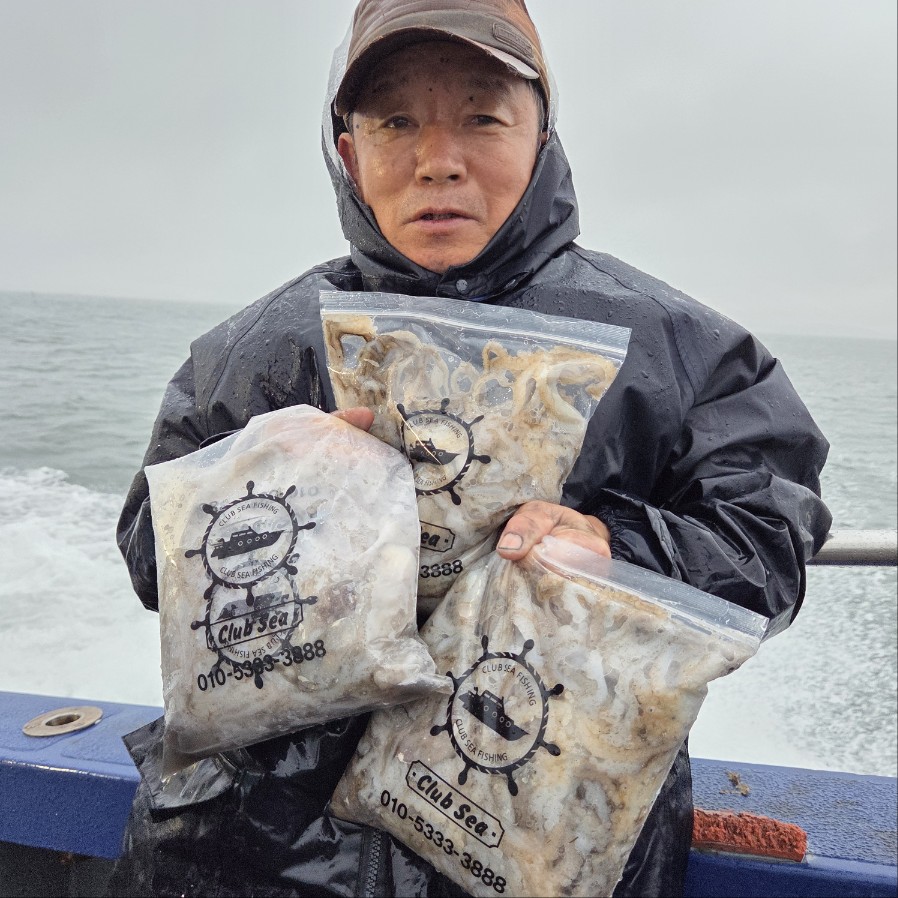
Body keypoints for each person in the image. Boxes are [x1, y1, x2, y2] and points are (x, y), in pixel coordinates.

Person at [110, 1, 832, 896]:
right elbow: (149, 555)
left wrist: (619, 552)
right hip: (244, 853)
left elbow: (769, 536)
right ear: (349, 154)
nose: (438, 159)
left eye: (483, 117)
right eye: (395, 122)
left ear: (541, 137)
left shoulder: (685, 353)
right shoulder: (252, 353)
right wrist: (258, 480)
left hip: (537, 852)